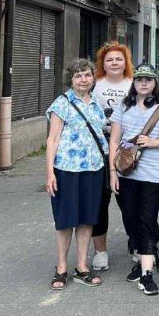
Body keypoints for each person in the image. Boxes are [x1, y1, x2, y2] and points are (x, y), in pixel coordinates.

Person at [109, 63, 159, 296]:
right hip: (126, 170)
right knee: (130, 218)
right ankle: (142, 258)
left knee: (147, 218)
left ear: (154, 82)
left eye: (148, 79)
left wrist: (152, 142)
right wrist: (112, 172)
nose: (143, 83)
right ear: (134, 82)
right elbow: (114, 139)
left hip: (153, 172)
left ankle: (147, 274)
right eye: (139, 79)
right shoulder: (124, 105)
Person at [44, 59, 107, 290]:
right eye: (78, 75)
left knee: (86, 218)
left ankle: (82, 266)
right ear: (70, 80)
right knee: (65, 220)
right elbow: (52, 139)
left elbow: (103, 130)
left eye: (87, 75)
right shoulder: (62, 103)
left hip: (93, 168)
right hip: (66, 169)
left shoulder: (96, 103)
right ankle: (61, 267)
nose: (83, 79)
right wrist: (49, 172)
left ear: (93, 78)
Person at [89, 42, 134, 272]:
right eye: (109, 60)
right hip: (99, 146)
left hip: (128, 148)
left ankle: (136, 243)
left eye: (119, 59)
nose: (114, 63)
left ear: (126, 62)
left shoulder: (133, 85)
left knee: (129, 200)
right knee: (99, 200)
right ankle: (100, 251)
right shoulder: (94, 85)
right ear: (103, 64)